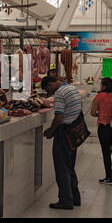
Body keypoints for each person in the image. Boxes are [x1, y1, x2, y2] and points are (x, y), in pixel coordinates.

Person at [42, 76, 82, 210]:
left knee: (62, 168)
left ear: (50, 84)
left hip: (64, 133)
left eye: (47, 89)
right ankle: (75, 197)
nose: (49, 92)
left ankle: (65, 200)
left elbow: (59, 118)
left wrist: (51, 131)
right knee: (70, 166)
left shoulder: (60, 93)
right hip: (74, 132)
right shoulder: (72, 88)